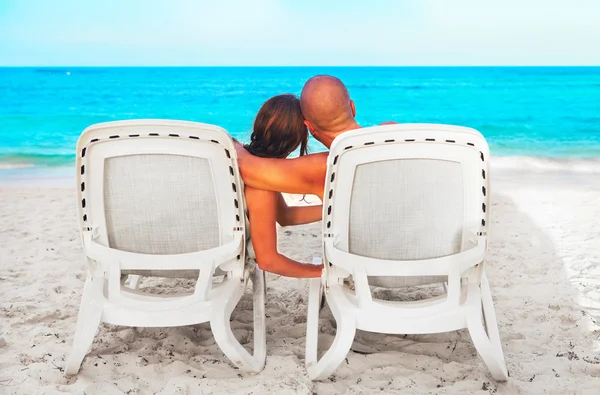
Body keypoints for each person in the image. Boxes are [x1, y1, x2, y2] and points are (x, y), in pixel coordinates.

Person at [237, 76, 395, 274]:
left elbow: (246, 165)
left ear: (309, 128)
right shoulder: (392, 135)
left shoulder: (322, 167)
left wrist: (230, 142)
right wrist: (336, 208)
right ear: (353, 107)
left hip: (366, 270)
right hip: (427, 260)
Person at [242, 94, 324, 278]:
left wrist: (333, 210)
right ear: (298, 138)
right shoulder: (260, 183)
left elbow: (285, 216)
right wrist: (319, 271)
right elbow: (268, 260)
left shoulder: (250, 162)